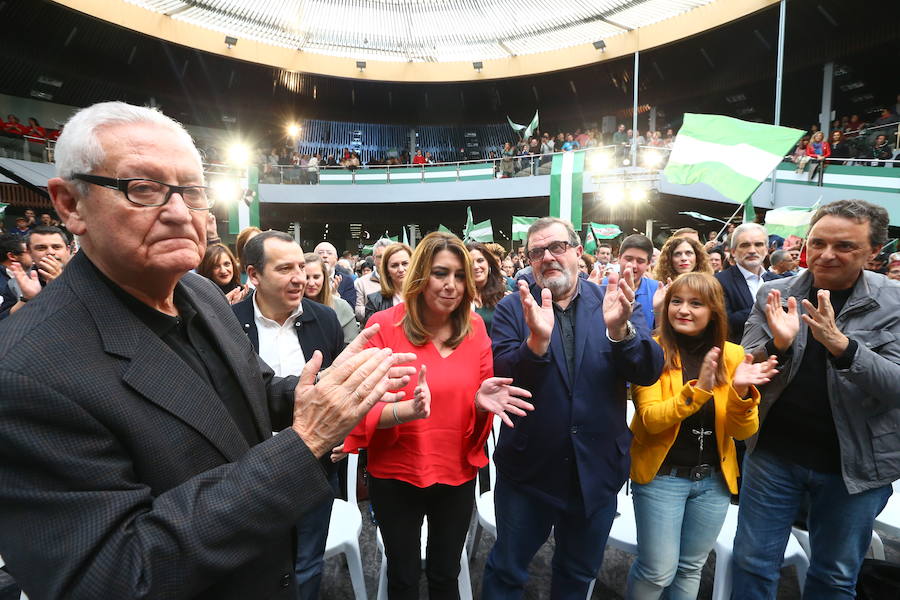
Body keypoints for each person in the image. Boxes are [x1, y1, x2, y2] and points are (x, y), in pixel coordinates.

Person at [0, 101, 416, 599]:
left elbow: (251, 389)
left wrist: (326, 389)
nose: (179, 213)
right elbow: (117, 574)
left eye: (192, 191)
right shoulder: (27, 373)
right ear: (70, 204)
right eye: (143, 189)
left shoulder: (197, 292)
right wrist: (305, 443)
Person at [343, 232, 534, 600]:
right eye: (440, 273)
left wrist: (481, 402)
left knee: (446, 574)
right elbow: (359, 407)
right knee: (403, 576)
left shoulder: (476, 328)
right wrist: (404, 411)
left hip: (455, 472)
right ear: (418, 277)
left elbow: (478, 398)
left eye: (460, 276)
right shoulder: (383, 326)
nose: (452, 285)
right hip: (396, 473)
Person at [482, 217, 664, 599]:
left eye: (557, 247)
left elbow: (648, 371)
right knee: (506, 571)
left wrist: (621, 333)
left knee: (578, 574)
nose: (547, 257)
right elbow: (502, 374)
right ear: (529, 260)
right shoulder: (514, 308)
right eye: (536, 252)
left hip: (595, 471)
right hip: (528, 471)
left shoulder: (613, 301)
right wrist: (535, 343)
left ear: (577, 253)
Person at [732, 199, 900, 599]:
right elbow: (747, 359)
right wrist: (780, 343)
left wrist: (844, 347)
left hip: (855, 467)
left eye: (844, 246)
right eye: (818, 242)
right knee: (752, 564)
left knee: (835, 575)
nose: (826, 254)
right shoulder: (775, 292)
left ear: (874, 251)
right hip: (773, 454)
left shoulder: (895, 302)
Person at [627, 272, 772, 599]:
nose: (683, 310)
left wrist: (740, 393)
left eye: (696, 303)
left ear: (714, 312)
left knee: (691, 566)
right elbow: (651, 419)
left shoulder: (733, 356)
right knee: (657, 570)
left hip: (713, 482)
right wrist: (698, 392)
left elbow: (743, 431)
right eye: (676, 301)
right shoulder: (652, 351)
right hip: (662, 478)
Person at [232, 232, 345, 600]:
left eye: (301, 266)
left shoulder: (325, 319)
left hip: (314, 468)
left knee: (309, 563)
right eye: (285, 268)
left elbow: (335, 389)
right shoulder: (229, 324)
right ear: (254, 275)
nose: (300, 277)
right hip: (251, 472)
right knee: (256, 566)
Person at [715, 223, 769, 344]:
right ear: (733, 252)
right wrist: (766, 309)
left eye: (758, 244)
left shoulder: (778, 281)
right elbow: (724, 322)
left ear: (766, 250)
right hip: (739, 355)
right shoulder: (718, 281)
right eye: (745, 245)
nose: (752, 250)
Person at [304, 251, 359, 345]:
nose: (311, 283)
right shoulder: (290, 307)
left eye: (316, 277)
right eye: (306, 277)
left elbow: (351, 346)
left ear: (324, 277)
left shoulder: (341, 306)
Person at [364, 242, 411, 326]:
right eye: (394, 265)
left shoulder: (426, 296)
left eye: (405, 264)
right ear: (387, 271)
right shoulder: (374, 301)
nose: (401, 269)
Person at [467, 241, 507, 337]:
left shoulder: (504, 293)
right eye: (470, 262)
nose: (476, 266)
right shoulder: (458, 296)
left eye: (480, 260)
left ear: (489, 263)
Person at [355, 238, 393, 321]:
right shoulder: (361, 282)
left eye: (387, 256)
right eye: (380, 257)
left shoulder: (400, 280)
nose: (384, 260)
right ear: (374, 259)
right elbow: (358, 310)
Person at [314, 241, 356, 308]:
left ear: (336, 260)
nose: (325, 256)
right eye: (320, 253)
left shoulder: (346, 281)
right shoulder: (307, 279)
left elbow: (350, 309)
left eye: (329, 253)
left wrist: (335, 297)